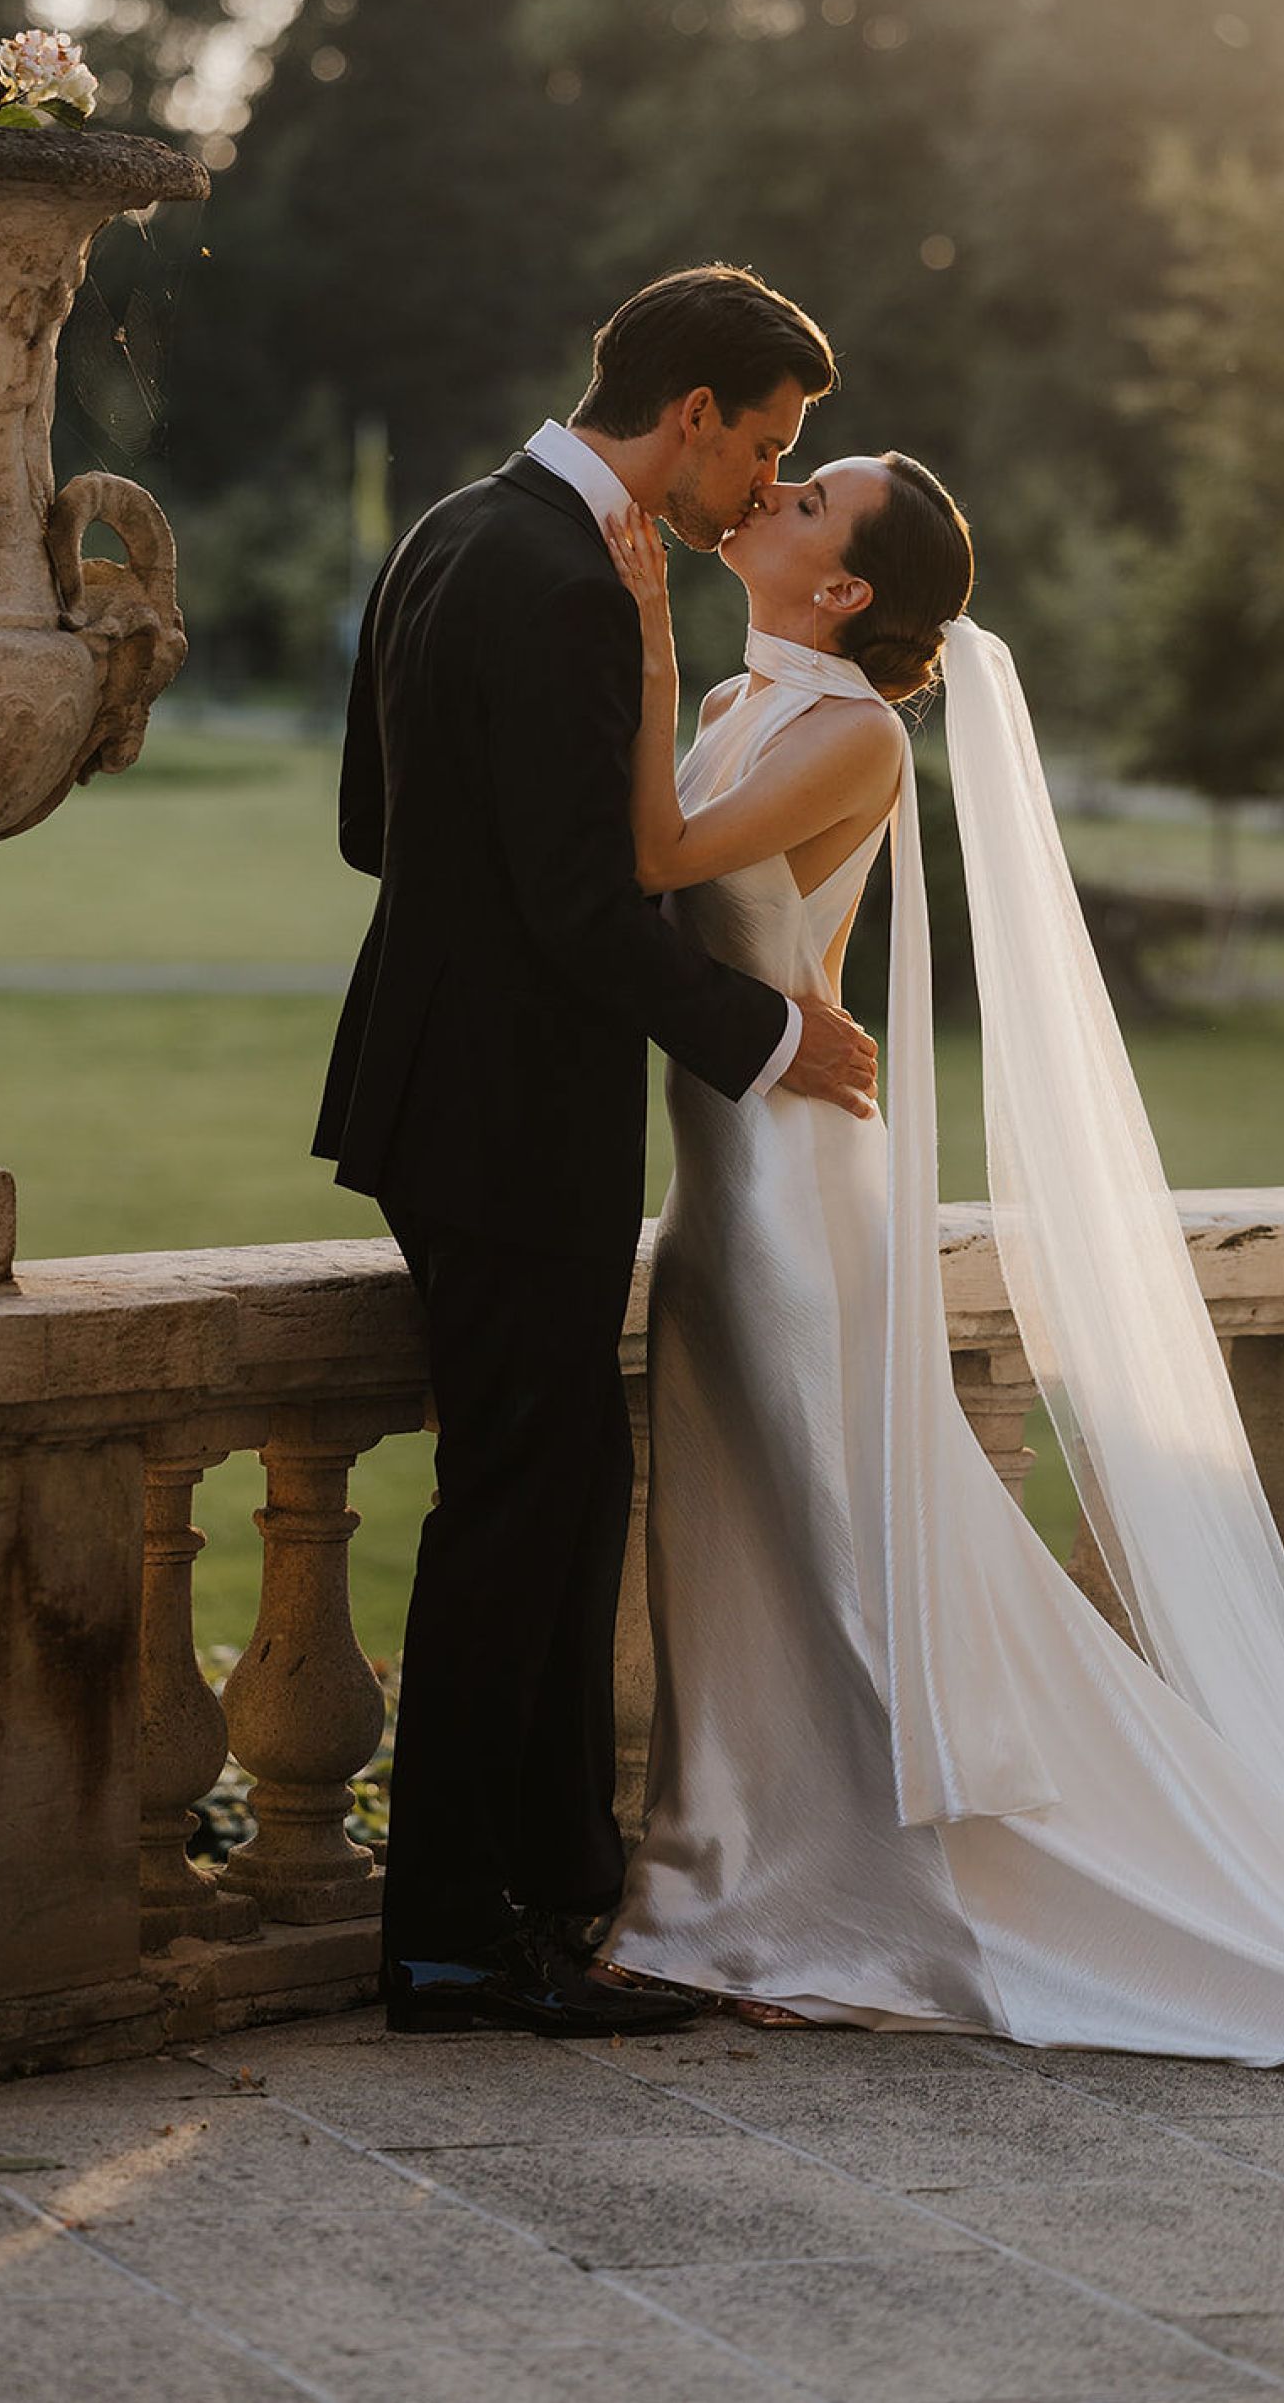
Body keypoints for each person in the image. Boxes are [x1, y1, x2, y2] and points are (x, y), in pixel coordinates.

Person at [594, 459, 1284, 2065]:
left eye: (809, 500)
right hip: (722, 1177)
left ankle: (850, 1911)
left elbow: (657, 858)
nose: (772, 492)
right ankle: (741, 1873)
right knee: (743, 1549)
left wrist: (641, 633)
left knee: (832, 1551)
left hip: (801, 1197)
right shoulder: (746, 692)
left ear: (847, 586)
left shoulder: (852, 733)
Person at [315, 265, 881, 2037]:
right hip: (505, 1118)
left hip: (443, 1094)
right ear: (693, 412)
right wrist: (774, 1034)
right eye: (767, 446)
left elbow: (366, 826)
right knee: (519, 1515)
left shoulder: (450, 528)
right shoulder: (562, 577)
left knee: (547, 1499)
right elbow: (580, 906)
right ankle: (458, 1947)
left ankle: (535, 1905)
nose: (755, 486)